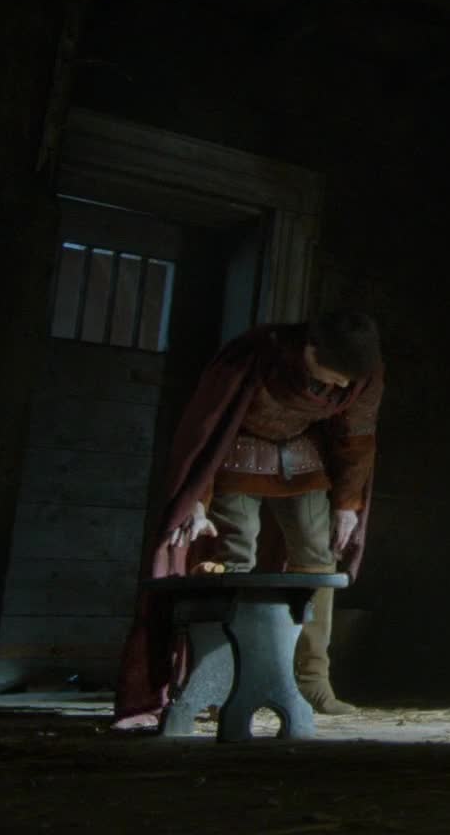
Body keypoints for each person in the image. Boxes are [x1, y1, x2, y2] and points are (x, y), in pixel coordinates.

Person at [112, 311, 385, 727]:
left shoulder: (361, 375)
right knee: (236, 555)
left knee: (319, 555)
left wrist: (348, 504)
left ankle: (311, 679)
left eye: (348, 381)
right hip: (238, 454)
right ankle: (224, 680)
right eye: (334, 375)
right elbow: (208, 425)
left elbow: (357, 438)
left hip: (302, 456)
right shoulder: (256, 353)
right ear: (310, 349)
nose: (341, 387)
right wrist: (197, 499)